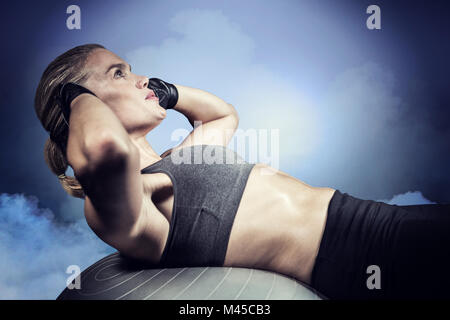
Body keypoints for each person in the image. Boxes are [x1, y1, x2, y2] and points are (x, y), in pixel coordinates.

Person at [34, 44, 450, 300]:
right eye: (119, 73)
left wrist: (169, 92)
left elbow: (221, 117)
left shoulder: (181, 157)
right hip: (354, 256)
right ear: (84, 104)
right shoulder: (125, 202)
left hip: (368, 218)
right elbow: (104, 149)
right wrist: (73, 96)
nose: (141, 78)